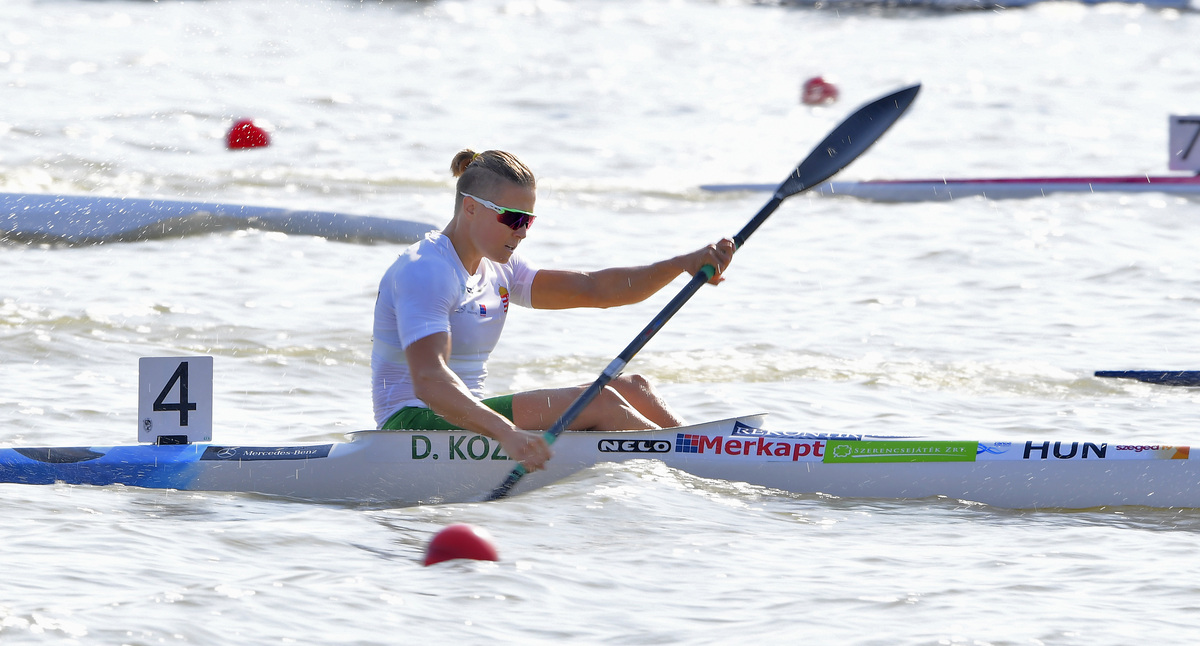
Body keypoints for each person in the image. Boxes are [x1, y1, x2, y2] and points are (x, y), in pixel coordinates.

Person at [372, 149, 735, 473]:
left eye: (528, 221)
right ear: (471, 208)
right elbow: (430, 379)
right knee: (604, 402)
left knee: (634, 388)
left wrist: (680, 264)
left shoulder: (499, 266)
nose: (523, 232)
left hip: (467, 417)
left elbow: (595, 289)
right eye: (514, 219)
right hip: (411, 424)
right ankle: (705, 472)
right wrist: (507, 434)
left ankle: (717, 456)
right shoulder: (427, 269)